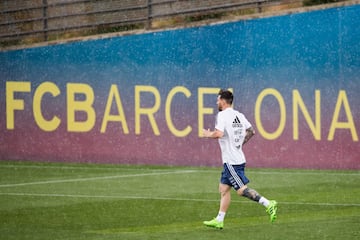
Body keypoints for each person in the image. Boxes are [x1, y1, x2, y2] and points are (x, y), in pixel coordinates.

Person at [201, 89, 277, 229]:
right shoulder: (239, 115)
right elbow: (251, 131)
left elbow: (218, 133)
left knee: (241, 190)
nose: (217, 102)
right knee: (223, 189)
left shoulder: (222, 115)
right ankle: (219, 219)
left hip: (231, 162)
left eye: (218, 99)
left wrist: (207, 134)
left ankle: (268, 203)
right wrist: (239, 144)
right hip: (237, 158)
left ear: (223, 101)